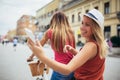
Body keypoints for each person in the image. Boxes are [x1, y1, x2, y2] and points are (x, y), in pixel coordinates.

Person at [27, 9, 108, 80]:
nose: (81, 27)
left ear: (95, 29)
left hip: (62, 69)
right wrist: (72, 50)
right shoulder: (72, 33)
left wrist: (40, 56)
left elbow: (67, 69)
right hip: (73, 69)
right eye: (82, 23)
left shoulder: (91, 45)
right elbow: (85, 58)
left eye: (87, 24)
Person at [27, 11, 75, 80]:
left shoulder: (50, 32)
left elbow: (38, 46)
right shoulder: (71, 32)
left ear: (53, 21)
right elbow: (73, 51)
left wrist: (31, 57)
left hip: (60, 69)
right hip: (72, 68)